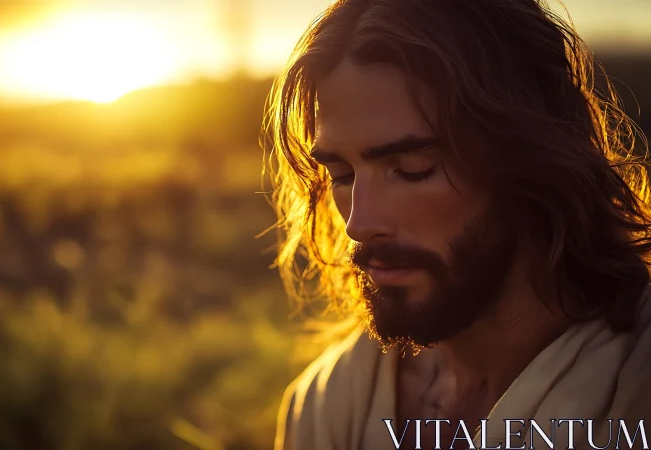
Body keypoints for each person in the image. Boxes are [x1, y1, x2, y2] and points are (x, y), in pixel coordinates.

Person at [263, 0, 651, 449]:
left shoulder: (634, 387)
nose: (359, 223)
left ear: (530, 159)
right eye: (342, 176)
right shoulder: (328, 404)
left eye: (413, 168)